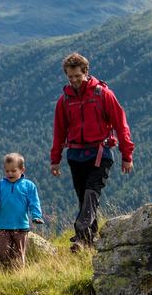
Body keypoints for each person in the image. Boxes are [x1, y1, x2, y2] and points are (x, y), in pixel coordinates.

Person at [49, 53, 134, 252]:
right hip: (76, 156)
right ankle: (87, 242)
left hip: (100, 154)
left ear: (86, 72)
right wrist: (55, 160)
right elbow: (59, 132)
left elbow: (121, 126)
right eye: (70, 77)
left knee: (90, 194)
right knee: (84, 199)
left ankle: (80, 235)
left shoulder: (103, 94)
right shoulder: (64, 101)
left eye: (77, 76)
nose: (74, 80)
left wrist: (126, 155)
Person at [0, 153, 43, 267]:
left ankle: (18, 275)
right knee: (2, 253)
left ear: (22, 170)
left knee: (19, 255)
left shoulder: (29, 186)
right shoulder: (1, 184)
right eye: (7, 171)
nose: (9, 173)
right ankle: (4, 273)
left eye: (13, 170)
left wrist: (36, 216)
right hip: (3, 227)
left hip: (21, 227)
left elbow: (34, 203)